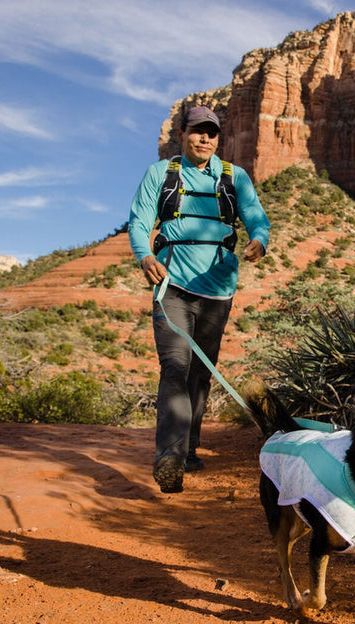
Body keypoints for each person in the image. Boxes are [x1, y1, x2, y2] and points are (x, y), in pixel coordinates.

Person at [129, 106, 270, 494]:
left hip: (218, 289)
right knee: (175, 365)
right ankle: (169, 457)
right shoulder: (161, 174)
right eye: (197, 131)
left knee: (200, 372)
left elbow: (256, 215)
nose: (205, 139)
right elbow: (140, 220)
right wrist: (145, 256)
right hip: (171, 284)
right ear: (182, 133)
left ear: (218, 138)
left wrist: (260, 238)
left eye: (212, 133)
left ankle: (189, 449)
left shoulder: (234, 177)